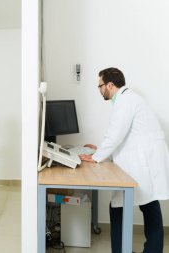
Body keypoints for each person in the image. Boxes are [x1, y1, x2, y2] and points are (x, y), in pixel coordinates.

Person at [79, 67, 169, 253]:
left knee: (126, 206)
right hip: (143, 162)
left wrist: (96, 157)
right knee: (148, 205)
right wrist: (100, 151)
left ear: (109, 85)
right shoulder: (127, 99)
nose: (99, 89)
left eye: (100, 85)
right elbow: (123, 135)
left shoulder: (125, 101)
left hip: (144, 163)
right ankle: (151, 250)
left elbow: (115, 134)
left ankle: (123, 251)